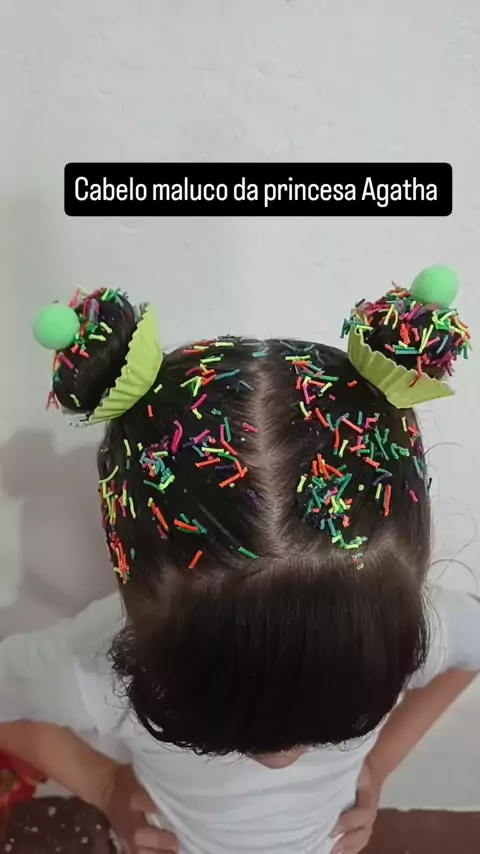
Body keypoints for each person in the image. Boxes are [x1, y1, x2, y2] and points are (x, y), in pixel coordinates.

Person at [0, 269, 479, 854]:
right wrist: (101, 783)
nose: (281, 761)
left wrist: (379, 762)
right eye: (220, 730)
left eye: (338, 720)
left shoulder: (395, 624)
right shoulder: (95, 663)